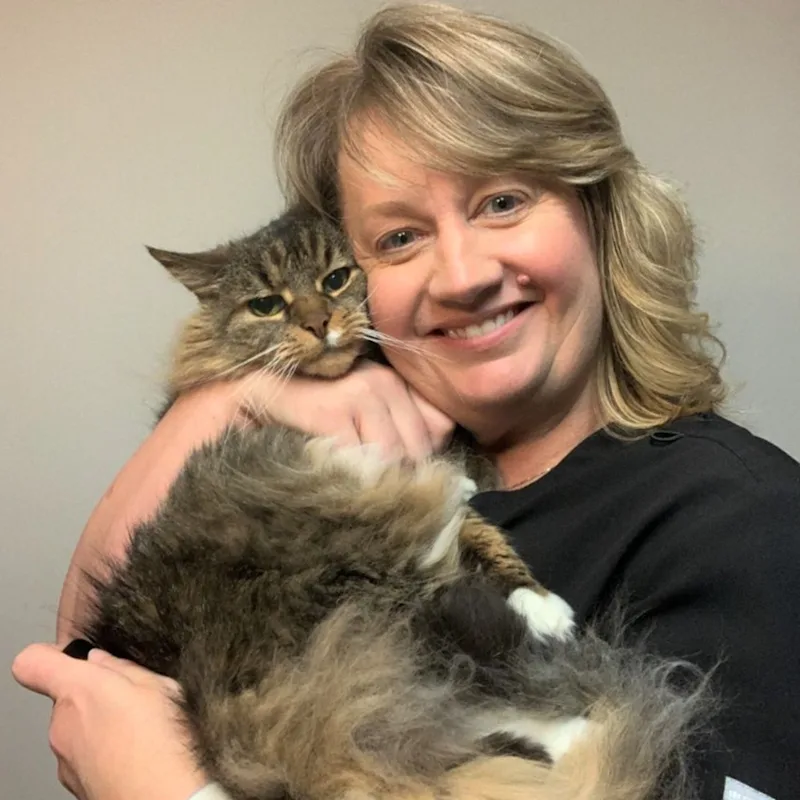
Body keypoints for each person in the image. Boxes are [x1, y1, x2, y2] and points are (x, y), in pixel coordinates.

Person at [12, 4, 800, 799]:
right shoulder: (348, 462)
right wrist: (216, 409)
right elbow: (88, 669)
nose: (462, 275)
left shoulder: (746, 522)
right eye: (397, 238)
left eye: (503, 201)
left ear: (600, 216)